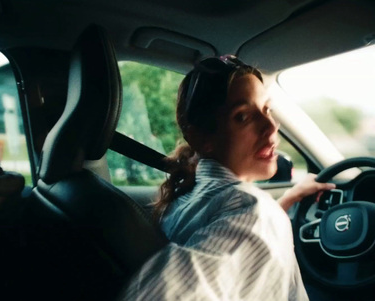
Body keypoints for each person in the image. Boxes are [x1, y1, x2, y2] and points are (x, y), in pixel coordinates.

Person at [120, 55, 335, 301]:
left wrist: (287, 200)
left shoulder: (184, 198)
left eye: (267, 109)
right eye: (243, 116)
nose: (271, 126)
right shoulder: (254, 214)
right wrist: (269, 214)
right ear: (201, 138)